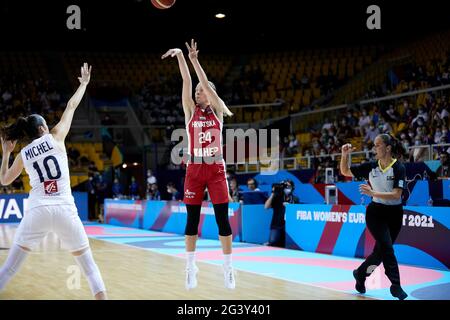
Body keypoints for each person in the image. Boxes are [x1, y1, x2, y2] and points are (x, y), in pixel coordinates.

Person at [0, 63, 107, 299]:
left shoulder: (23, 153)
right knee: (89, 269)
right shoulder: (56, 136)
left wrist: (6, 152)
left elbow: (5, 179)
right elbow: (71, 105)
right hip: (65, 209)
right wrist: (84, 84)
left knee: (9, 268)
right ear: (42, 127)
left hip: (37, 209)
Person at [162, 39, 235, 290]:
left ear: (210, 93)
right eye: (196, 92)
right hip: (194, 170)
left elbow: (202, 83)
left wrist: (195, 60)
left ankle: (228, 267)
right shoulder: (189, 111)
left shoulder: (217, 111)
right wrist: (182, 57)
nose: (197, 92)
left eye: (201, 90)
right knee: (191, 221)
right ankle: (190, 266)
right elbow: (186, 82)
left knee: (222, 220)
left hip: (215, 170)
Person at [340, 133, 408, 300]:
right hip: (376, 213)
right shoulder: (371, 166)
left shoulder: (399, 168)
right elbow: (345, 171)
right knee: (387, 247)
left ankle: (361, 274)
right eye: (374, 145)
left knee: (379, 254)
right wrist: (344, 155)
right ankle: (396, 285)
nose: (374, 148)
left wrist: (372, 192)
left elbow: (396, 195)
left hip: (394, 214)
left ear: (388, 148)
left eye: (377, 145)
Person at [264, 180, 299, 247]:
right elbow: (266, 207)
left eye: (288, 186)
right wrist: (273, 193)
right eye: (285, 186)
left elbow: (297, 211)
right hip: (277, 224)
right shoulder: (277, 197)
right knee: (273, 242)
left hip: (290, 226)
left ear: (292, 188)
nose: (286, 188)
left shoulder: (295, 199)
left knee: (288, 245)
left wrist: (290, 207)